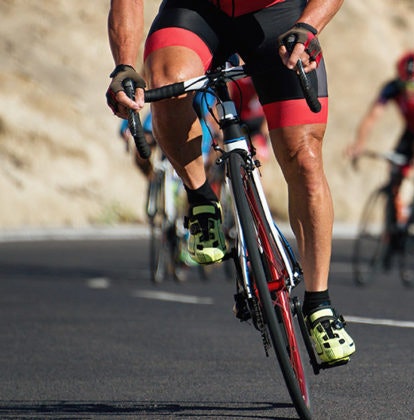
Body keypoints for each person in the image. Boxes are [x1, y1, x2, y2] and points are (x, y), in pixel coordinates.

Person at [106, 0, 354, 365]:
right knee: (168, 82)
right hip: (195, 11)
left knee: (304, 157)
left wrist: (310, 26)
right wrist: (124, 65)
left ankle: (320, 305)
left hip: (277, 16)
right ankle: (201, 197)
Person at [346, 51, 414, 213]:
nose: (410, 91)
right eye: (405, 85)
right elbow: (372, 117)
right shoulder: (391, 88)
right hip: (412, 128)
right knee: (395, 165)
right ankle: (395, 213)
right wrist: (359, 143)